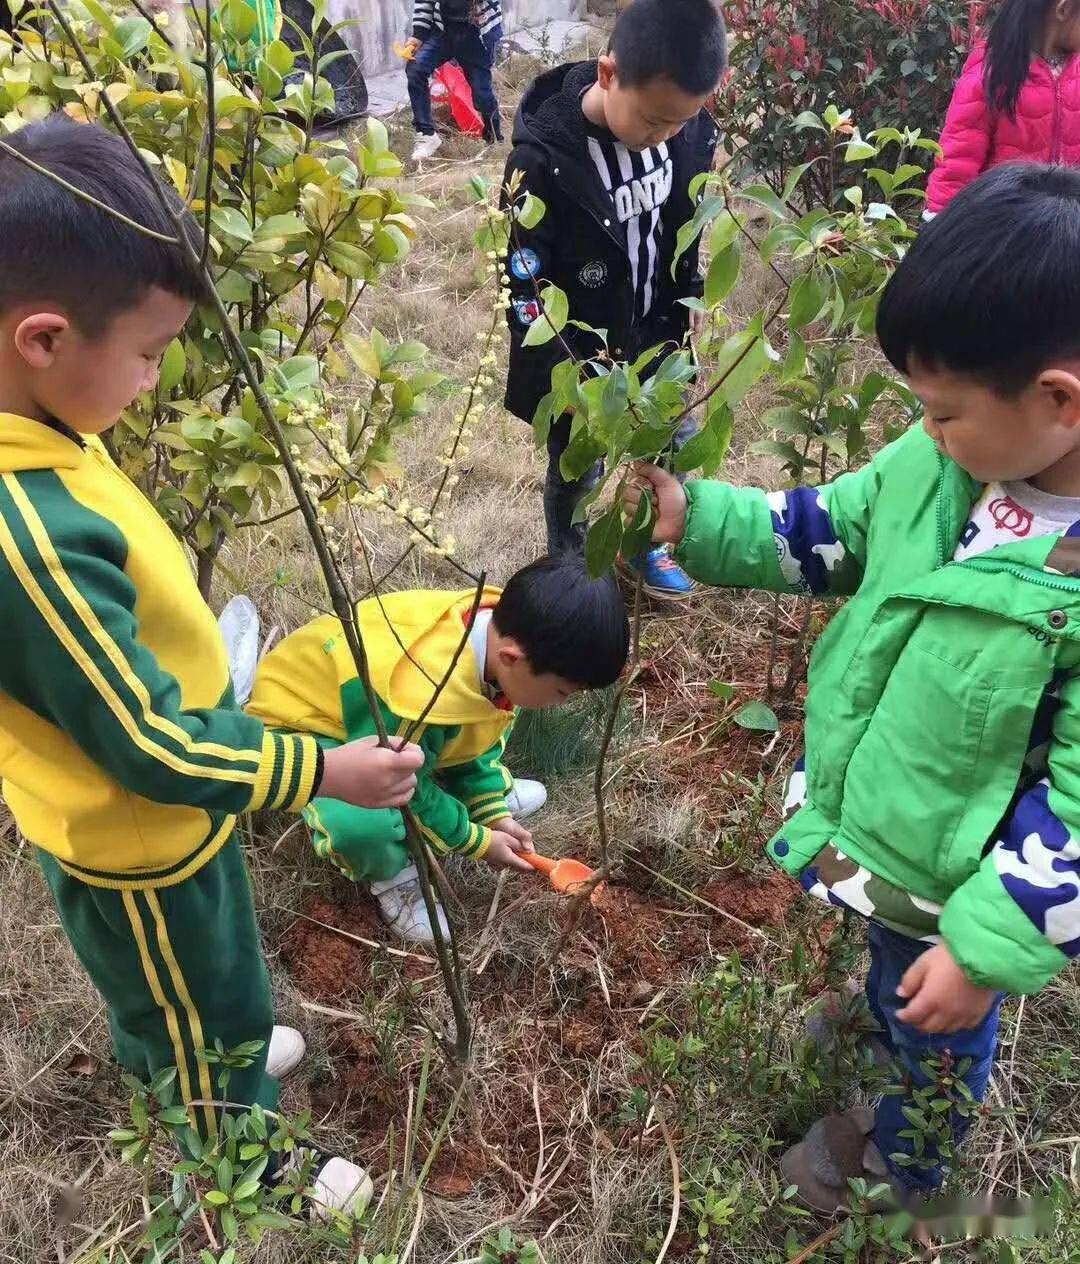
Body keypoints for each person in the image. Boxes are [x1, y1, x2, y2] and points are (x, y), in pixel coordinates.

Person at [626, 163, 1080, 1208]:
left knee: (945, 1018)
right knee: (894, 962)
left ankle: (909, 1158)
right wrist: (695, 519)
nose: (924, 429)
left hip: (971, 881)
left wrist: (984, 945)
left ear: (1057, 400)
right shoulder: (941, 461)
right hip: (891, 816)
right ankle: (889, 1005)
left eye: (944, 410)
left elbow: (1075, 806)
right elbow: (822, 529)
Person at [0, 115, 426, 1215]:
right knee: (192, 986)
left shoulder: (36, 430)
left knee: (202, 980)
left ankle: (202, 1054)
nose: (152, 382)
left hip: (169, 811)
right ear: (42, 339)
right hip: (143, 829)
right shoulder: (25, 535)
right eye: (145, 355)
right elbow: (144, 740)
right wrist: (319, 771)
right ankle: (233, 1149)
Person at [249, 555, 629, 943]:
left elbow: (476, 727)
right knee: (364, 825)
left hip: (387, 724)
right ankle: (392, 875)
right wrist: (475, 840)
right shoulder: (416, 692)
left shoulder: (497, 640)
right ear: (511, 658)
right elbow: (402, 786)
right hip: (310, 726)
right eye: (562, 693)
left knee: (436, 741)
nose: (560, 704)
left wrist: (491, 812)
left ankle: (482, 798)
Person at [501, 0, 726, 601]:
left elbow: (686, 231)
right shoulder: (543, 162)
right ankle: (574, 570)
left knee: (665, 443)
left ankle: (648, 546)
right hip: (581, 354)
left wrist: (689, 306)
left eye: (682, 122)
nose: (668, 135)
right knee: (578, 468)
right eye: (655, 122)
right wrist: (562, 377)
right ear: (608, 75)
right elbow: (525, 286)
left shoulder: (684, 129)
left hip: (657, 330)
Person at [926, 0, 1080, 215]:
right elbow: (958, 163)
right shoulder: (991, 75)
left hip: (1066, 228)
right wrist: (939, 224)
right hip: (1003, 229)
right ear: (1063, 9)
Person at [404, 0, 503, 162]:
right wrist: (418, 34)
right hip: (444, 33)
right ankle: (426, 134)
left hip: (477, 36)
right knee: (416, 69)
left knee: (482, 96)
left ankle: (493, 137)